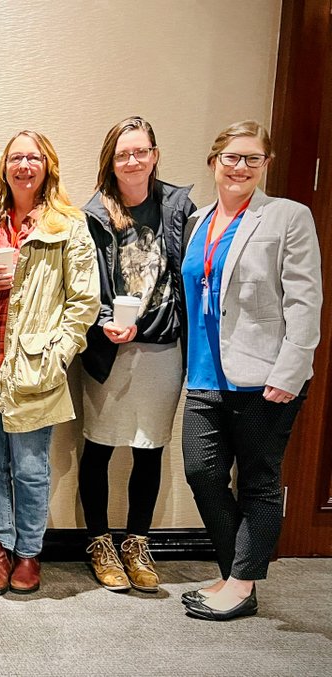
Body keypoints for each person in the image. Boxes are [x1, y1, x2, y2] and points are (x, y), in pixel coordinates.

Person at [179, 121, 322, 621]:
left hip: (264, 375)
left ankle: (241, 584)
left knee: (259, 482)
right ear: (214, 161)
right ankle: (233, 570)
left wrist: (292, 368)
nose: (240, 167)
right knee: (202, 472)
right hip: (202, 374)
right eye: (231, 157)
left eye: (252, 159)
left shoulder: (286, 217)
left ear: (266, 165)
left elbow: (306, 300)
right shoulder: (198, 222)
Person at [0, 130, 99, 595]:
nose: (24, 166)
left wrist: (57, 356)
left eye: (33, 158)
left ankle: (29, 555)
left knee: (30, 469)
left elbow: (85, 302)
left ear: (47, 166)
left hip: (34, 369)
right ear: (5, 167)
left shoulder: (67, 226)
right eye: (16, 158)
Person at [78, 117, 196, 593]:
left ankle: (137, 542)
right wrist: (104, 318)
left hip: (162, 344)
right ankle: (100, 543)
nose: (132, 161)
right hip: (109, 346)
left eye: (140, 152)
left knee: (150, 448)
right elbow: (82, 282)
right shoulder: (93, 213)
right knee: (101, 444)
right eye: (123, 153)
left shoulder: (178, 208)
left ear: (154, 154)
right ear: (111, 160)